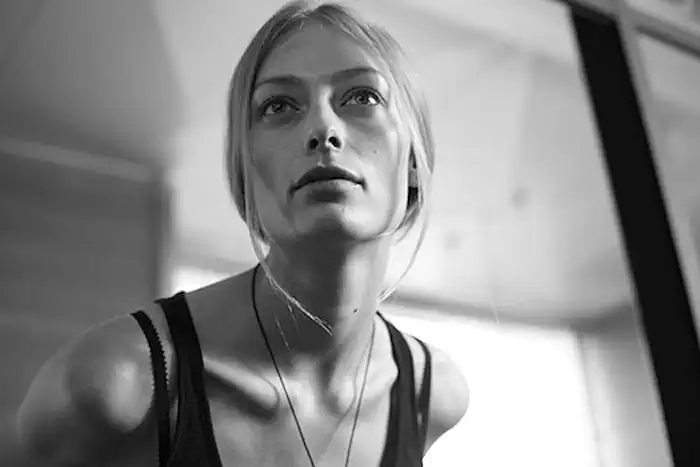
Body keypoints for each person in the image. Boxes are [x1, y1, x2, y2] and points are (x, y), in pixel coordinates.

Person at [14, 1, 470, 466]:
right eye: (278, 105)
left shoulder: (432, 396)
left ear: (413, 162)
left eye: (363, 97)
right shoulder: (112, 385)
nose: (323, 128)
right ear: (244, 169)